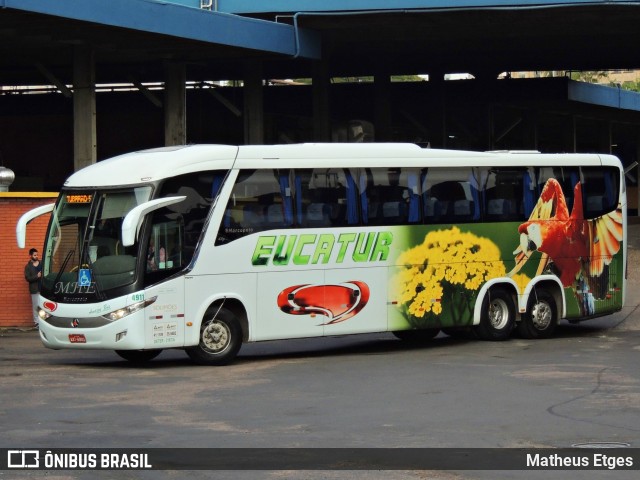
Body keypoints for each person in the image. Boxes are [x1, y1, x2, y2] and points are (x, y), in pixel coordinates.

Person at [24, 248, 42, 328]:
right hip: (34, 289)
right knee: (35, 306)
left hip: (43, 289)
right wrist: (36, 276)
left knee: (44, 306)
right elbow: (28, 278)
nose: (36, 256)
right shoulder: (28, 266)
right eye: (34, 255)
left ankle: (44, 322)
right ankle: (36, 323)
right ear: (30, 256)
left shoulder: (42, 263)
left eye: (37, 255)